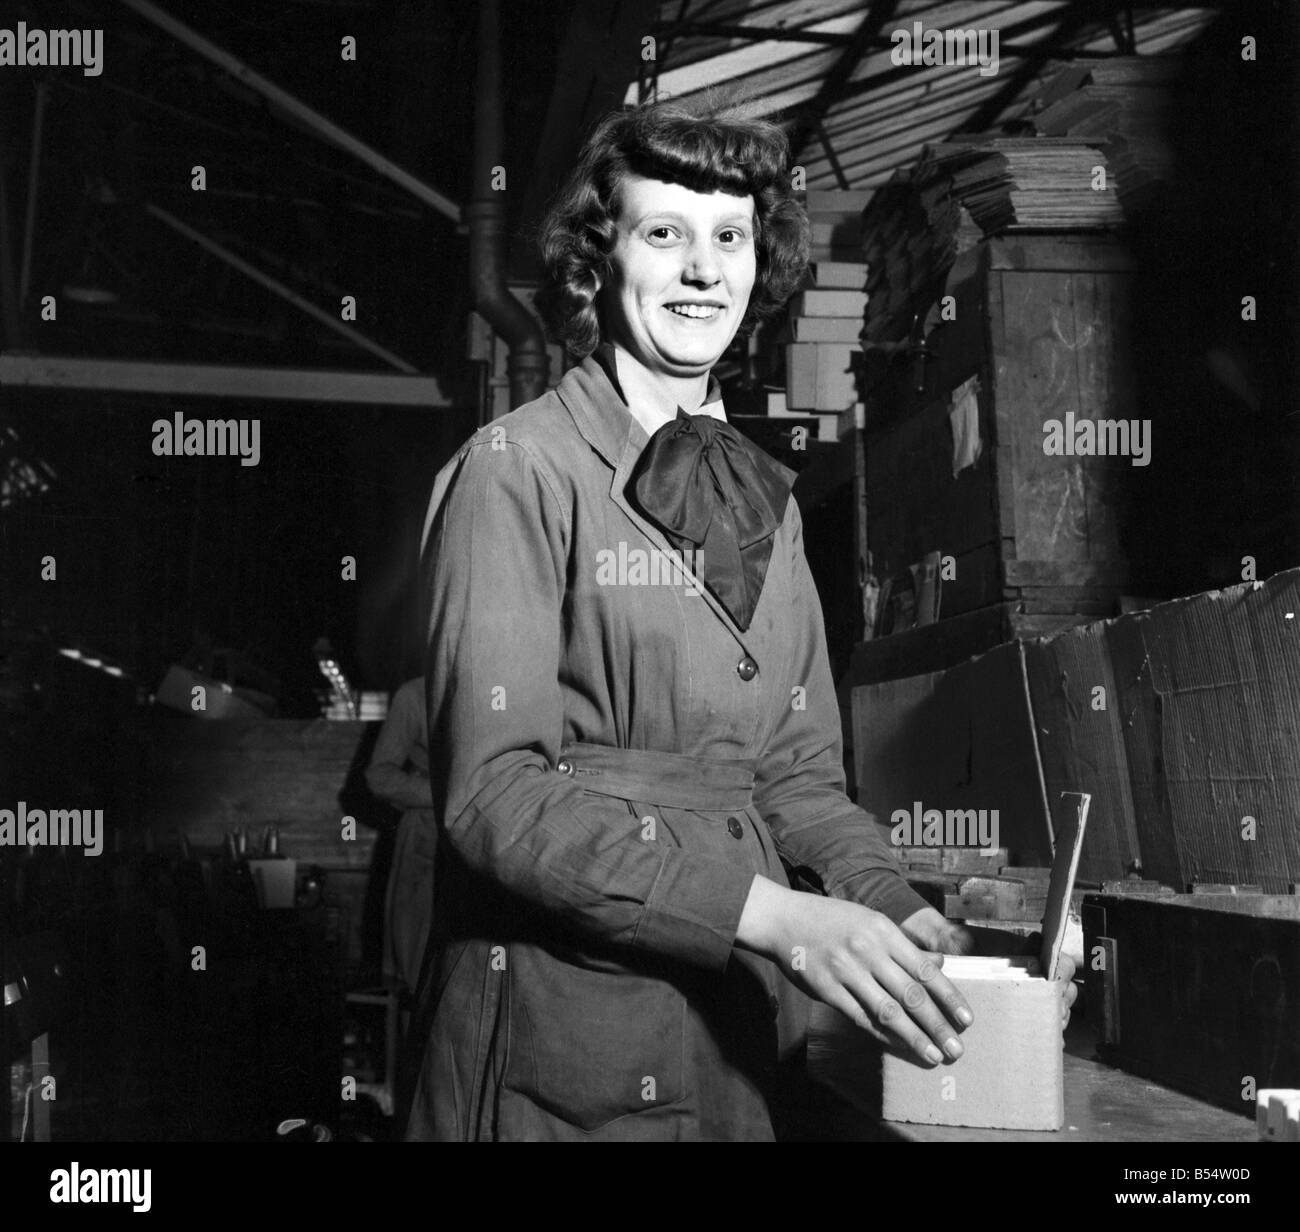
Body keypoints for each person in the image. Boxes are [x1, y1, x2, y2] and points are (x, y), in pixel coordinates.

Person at [401, 97, 1075, 1141]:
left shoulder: (762, 504)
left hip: (732, 1042)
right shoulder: (518, 471)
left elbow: (797, 781)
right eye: (663, 233)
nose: (703, 269)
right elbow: (495, 795)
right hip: (565, 1042)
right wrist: (773, 916)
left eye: (730, 238)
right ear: (595, 259)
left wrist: (906, 920)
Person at [364, 676, 436, 993]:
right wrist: (443, 793)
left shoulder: (499, 688)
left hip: (482, 843)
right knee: (415, 973)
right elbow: (380, 776)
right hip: (425, 843)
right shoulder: (414, 694)